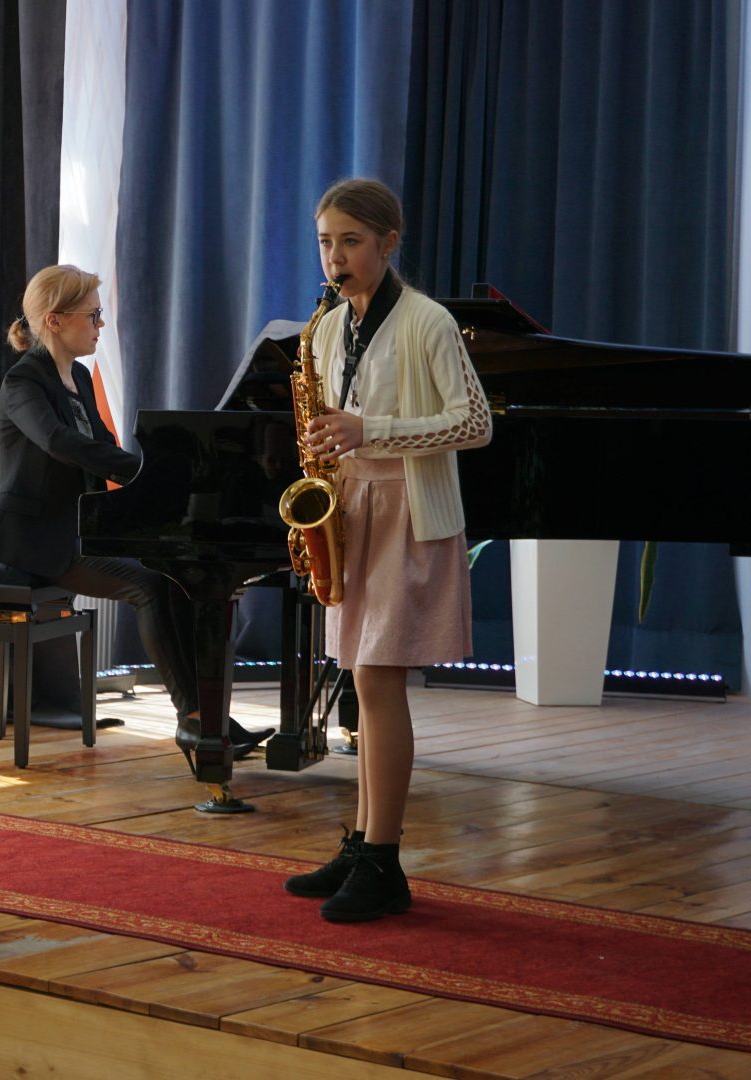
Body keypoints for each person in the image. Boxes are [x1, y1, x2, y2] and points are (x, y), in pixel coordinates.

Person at [281, 179, 493, 922]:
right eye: (325, 242)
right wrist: (324, 452)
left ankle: (384, 859)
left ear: (389, 242)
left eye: (351, 242)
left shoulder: (429, 320)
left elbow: (474, 423)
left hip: (408, 509)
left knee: (376, 679)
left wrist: (371, 430)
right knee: (360, 678)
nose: (334, 258)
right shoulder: (327, 327)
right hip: (351, 508)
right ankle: (363, 844)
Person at [0, 264, 270, 757]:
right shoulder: (22, 381)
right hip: (34, 539)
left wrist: (161, 478)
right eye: (92, 315)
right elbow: (59, 442)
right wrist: (145, 473)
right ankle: (194, 722)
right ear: (55, 321)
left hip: (79, 530)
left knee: (176, 579)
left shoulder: (79, 377)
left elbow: (104, 445)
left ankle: (208, 715)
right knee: (147, 586)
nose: (101, 324)